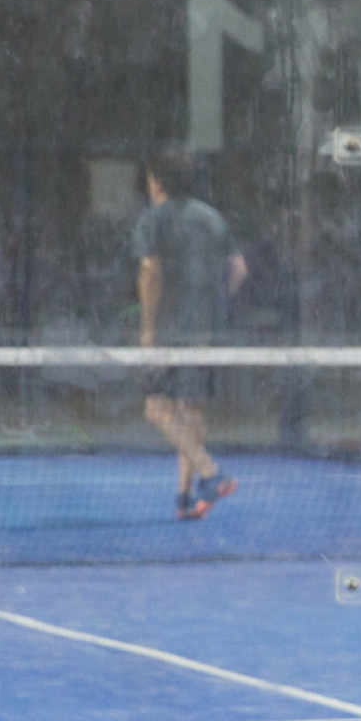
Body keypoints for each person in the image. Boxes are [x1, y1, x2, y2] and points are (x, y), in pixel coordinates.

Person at [134, 151, 246, 520]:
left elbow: (150, 271)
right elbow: (239, 270)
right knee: (191, 407)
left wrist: (148, 330)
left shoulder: (153, 219)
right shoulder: (212, 218)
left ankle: (212, 473)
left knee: (156, 407)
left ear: (157, 182)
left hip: (168, 331)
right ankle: (184, 498)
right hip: (206, 330)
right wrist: (214, 305)